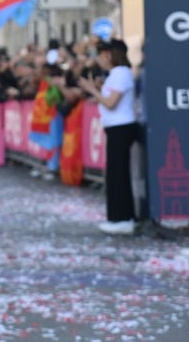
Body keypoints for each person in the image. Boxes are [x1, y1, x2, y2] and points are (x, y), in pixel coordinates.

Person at [78, 38, 139, 235]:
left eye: (103, 55)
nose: (101, 59)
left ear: (111, 55)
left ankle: (122, 218)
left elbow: (111, 103)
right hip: (115, 126)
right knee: (114, 174)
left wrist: (92, 89)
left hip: (121, 126)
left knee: (118, 174)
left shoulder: (121, 73)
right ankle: (118, 217)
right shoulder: (116, 74)